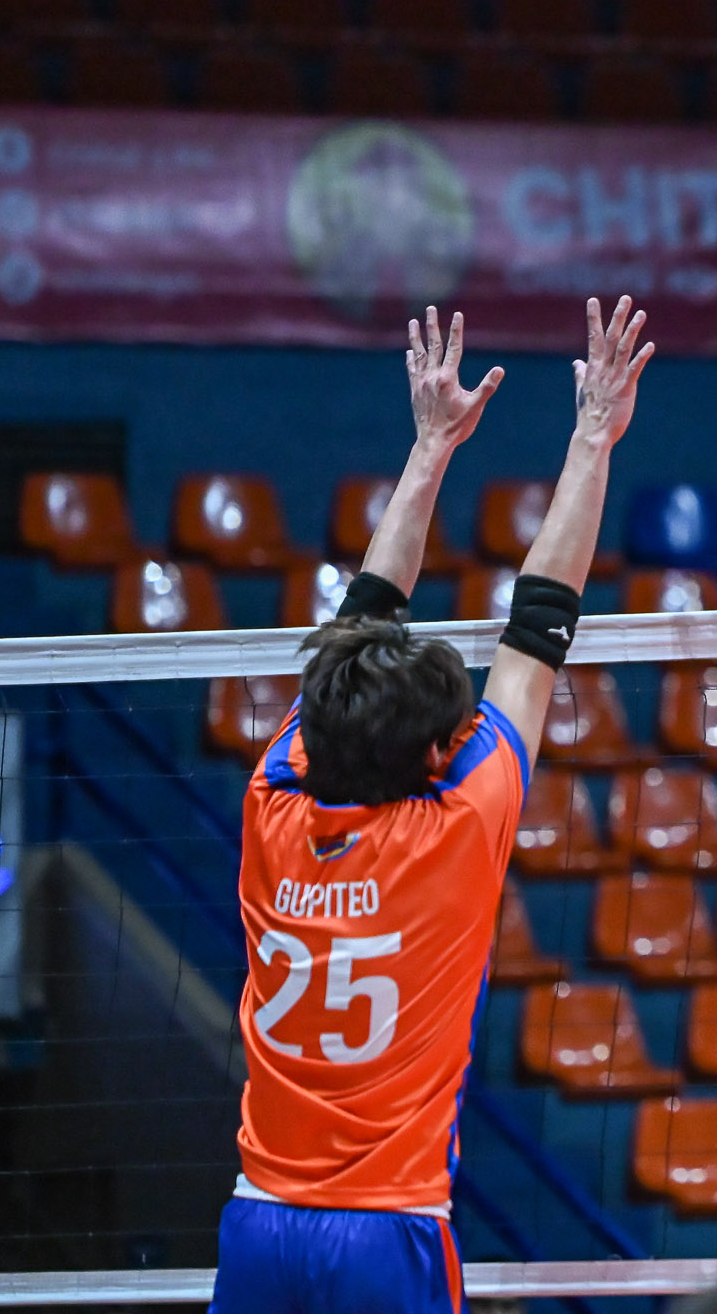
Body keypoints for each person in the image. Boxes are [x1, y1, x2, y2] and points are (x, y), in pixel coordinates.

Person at [208, 297, 653, 1314]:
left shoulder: (271, 801)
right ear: (434, 753)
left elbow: (358, 624)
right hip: (388, 1228)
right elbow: (539, 625)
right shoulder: (457, 823)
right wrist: (594, 434)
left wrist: (429, 448)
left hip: (257, 1219)